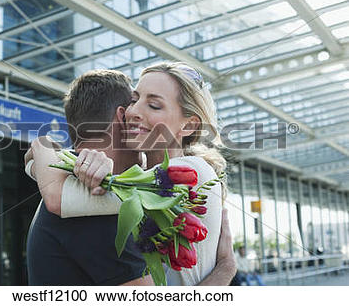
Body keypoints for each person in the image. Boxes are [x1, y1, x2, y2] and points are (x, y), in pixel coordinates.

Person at [27, 64, 236, 285]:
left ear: (188, 126)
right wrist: (225, 269)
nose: (135, 112)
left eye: (154, 105)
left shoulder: (190, 172)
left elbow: (58, 197)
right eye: (134, 101)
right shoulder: (142, 176)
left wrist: (42, 149)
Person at [26, 70, 153, 286]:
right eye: (136, 105)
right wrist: (225, 268)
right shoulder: (92, 197)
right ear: (122, 118)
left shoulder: (65, 179)